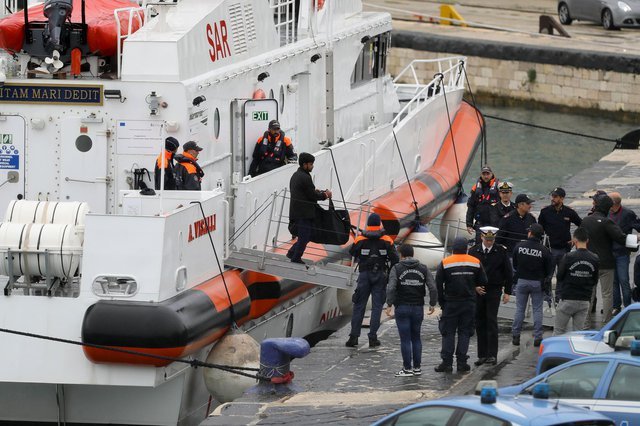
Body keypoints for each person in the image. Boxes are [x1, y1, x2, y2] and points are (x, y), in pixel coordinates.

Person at [435, 237, 487, 373]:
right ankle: (462, 363)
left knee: (448, 332)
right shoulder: (475, 262)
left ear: (453, 249)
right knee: (465, 332)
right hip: (469, 303)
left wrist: (442, 302)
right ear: (467, 249)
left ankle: (446, 363)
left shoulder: (445, 262)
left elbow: (438, 284)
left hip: (451, 303)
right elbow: (483, 280)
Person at [346, 213, 399, 348]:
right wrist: (390, 272)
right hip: (380, 275)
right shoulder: (387, 239)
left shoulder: (360, 238)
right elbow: (395, 259)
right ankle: (372, 338)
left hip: (364, 274)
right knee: (377, 307)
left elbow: (352, 252)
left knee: (359, 305)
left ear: (368, 224)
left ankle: (353, 337)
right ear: (379, 224)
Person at [385, 244, 437, 377]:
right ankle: (417, 368)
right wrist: (432, 303)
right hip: (418, 307)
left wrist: (389, 304)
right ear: (413, 254)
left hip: (402, 307)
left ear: (401, 254)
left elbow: (391, 288)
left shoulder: (396, 268)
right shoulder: (423, 268)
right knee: (416, 338)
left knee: (405, 339)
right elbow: (433, 287)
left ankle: (407, 368)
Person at [468, 226, 512, 366]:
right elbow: (469, 271)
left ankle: (492, 354)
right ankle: (482, 354)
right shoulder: (473, 251)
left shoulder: (500, 251)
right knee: (480, 321)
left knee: (491, 321)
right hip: (478, 290)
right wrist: (474, 286)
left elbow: (508, 272)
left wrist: (507, 292)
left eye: (491, 240)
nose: (489, 242)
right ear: (482, 237)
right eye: (487, 240)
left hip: (494, 289)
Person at [581, 194, 627, 326]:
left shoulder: (586, 220)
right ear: (607, 208)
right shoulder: (607, 222)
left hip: (589, 262)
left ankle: (586, 323)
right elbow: (621, 238)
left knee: (589, 293)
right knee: (607, 294)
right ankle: (607, 322)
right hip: (606, 263)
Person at [511, 223, 554, 347]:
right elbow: (549, 269)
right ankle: (538, 337)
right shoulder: (544, 250)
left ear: (530, 233)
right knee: (537, 310)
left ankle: (516, 335)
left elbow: (514, 264)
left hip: (522, 281)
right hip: (537, 283)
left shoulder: (519, 246)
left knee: (520, 309)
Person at [287, 152, 332, 264]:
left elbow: (305, 192)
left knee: (305, 236)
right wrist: (325, 195)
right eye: (311, 164)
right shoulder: (306, 177)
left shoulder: (295, 175)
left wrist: (314, 191)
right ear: (305, 164)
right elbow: (312, 196)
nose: (312, 166)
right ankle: (295, 258)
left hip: (296, 211)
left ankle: (292, 253)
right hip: (303, 214)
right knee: (304, 237)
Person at [554, 227, 599, 335]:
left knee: (558, 331)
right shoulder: (594, 258)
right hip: (584, 300)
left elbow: (559, 276)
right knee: (578, 334)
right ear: (587, 240)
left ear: (574, 240)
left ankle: (556, 352)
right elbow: (595, 279)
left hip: (568, 297)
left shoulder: (568, 256)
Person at [538, 187, 582, 282]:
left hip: (564, 249)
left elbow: (582, 224)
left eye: (555, 196)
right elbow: (539, 230)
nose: (552, 199)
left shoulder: (569, 212)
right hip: (549, 250)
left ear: (562, 198)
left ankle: (560, 296)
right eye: (552, 196)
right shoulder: (545, 212)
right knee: (547, 277)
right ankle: (547, 297)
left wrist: (576, 238)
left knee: (563, 277)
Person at [607, 192, 640, 315]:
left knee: (624, 280)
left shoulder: (628, 213)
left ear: (613, 203)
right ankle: (616, 307)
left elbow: (638, 225)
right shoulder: (606, 213)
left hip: (622, 253)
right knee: (614, 282)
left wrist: (637, 237)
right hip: (609, 252)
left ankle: (627, 306)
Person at [466, 165, 500, 241]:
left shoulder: (498, 187)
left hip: (494, 224)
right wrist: (469, 224)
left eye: (488, 174)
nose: (486, 176)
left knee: (495, 244)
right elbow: (471, 206)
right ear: (481, 175)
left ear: (492, 174)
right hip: (480, 223)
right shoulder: (476, 188)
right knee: (479, 242)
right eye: (484, 174)